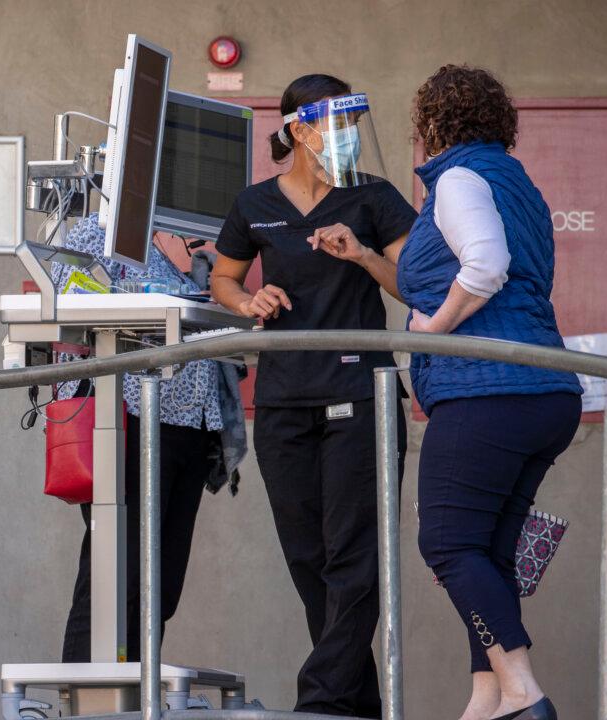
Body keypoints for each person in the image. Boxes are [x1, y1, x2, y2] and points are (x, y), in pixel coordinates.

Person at [210, 74, 417, 717]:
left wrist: (359, 255)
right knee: (309, 561)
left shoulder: (374, 198)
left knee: (354, 557)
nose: (349, 138)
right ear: (300, 130)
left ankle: (321, 702)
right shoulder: (253, 205)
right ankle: (353, 708)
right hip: (281, 401)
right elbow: (223, 276)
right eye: (339, 125)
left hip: (360, 392)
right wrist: (248, 300)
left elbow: (412, 286)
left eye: (355, 126)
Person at [399, 65, 582, 720]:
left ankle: (524, 694)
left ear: (430, 124)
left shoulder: (457, 179)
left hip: (487, 391)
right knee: (486, 552)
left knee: (447, 544)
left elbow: (486, 265)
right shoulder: (519, 185)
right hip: (543, 393)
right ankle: (488, 697)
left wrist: (431, 329)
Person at [51, 211, 246, 663]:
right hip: (130, 419)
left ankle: (139, 696)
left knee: (161, 586)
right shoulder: (102, 232)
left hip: (193, 428)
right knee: (118, 575)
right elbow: (71, 307)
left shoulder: (198, 248)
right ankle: (90, 706)